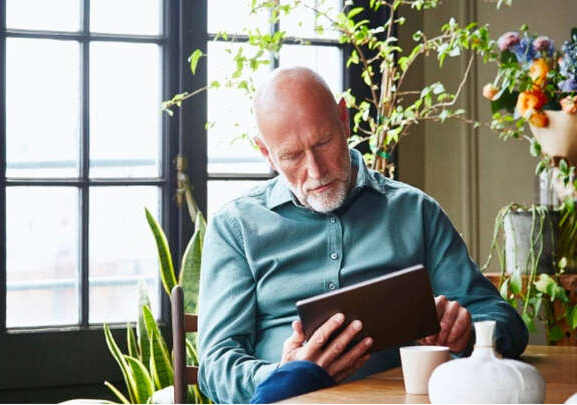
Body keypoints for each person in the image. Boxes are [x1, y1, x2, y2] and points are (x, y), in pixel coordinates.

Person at [197, 67, 528, 404]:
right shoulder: (235, 227)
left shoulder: (414, 211)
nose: (316, 170)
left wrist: (468, 333)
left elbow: (504, 322)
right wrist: (285, 374)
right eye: (292, 156)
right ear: (266, 153)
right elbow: (214, 366)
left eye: (324, 142)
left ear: (344, 120)